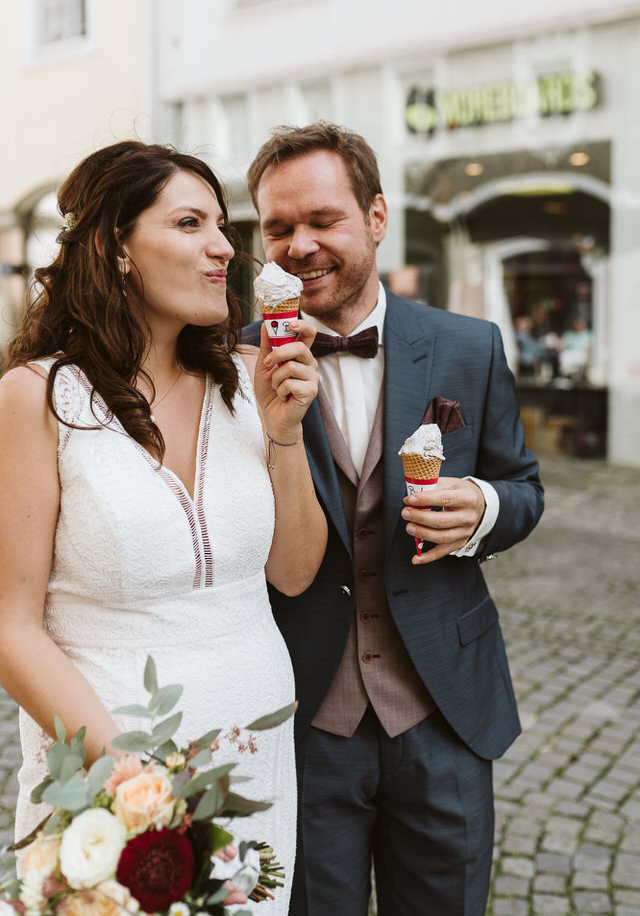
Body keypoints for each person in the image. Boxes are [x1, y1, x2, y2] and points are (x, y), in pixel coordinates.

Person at [0, 140, 327, 914]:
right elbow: (11, 628)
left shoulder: (252, 380)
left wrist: (285, 436)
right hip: (108, 770)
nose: (224, 247)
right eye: (189, 223)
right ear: (116, 247)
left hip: (249, 754)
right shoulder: (37, 398)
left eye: (222, 225)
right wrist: (136, 791)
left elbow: (295, 573)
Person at [243, 123, 544, 916]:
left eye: (323, 220)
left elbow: (525, 489)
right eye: (279, 228)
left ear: (376, 217)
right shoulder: (228, 366)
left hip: (444, 710)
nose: (300, 245)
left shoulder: (466, 348)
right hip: (303, 721)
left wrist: (485, 507)